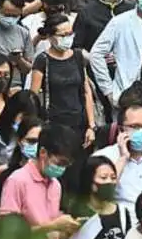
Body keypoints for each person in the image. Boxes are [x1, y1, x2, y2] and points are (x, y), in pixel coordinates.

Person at [0, 123, 84, 239]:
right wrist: (53, 225)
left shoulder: (55, 184)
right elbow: (8, 235)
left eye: (67, 165)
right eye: (60, 163)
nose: (62, 168)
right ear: (43, 153)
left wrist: (66, 231)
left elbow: (52, 234)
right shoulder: (17, 181)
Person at [31, 14, 96, 145]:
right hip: (54, 125)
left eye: (70, 34)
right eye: (62, 35)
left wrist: (91, 126)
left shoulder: (78, 56)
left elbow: (86, 91)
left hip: (79, 124)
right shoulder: (42, 60)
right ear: (50, 37)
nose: (67, 38)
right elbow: (34, 97)